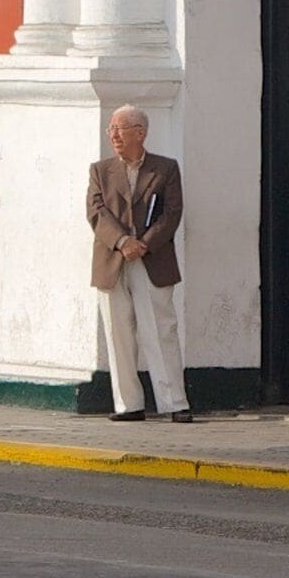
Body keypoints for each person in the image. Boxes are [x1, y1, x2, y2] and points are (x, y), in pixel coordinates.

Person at [85, 105, 189, 424]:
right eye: (111, 129)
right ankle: (128, 404)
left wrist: (144, 244)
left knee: (161, 329)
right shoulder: (100, 170)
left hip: (151, 259)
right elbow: (96, 212)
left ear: (140, 133)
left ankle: (174, 402)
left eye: (120, 128)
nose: (113, 135)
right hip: (112, 260)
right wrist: (122, 241)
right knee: (118, 333)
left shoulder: (165, 168)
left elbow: (172, 213)